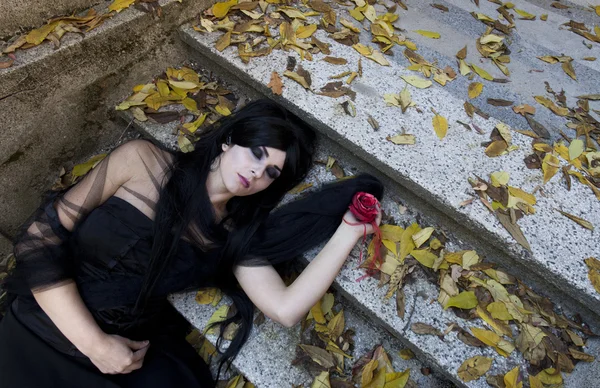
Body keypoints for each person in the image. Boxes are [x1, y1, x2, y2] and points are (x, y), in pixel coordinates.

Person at [0, 98, 383, 387]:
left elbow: (285, 309)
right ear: (228, 141)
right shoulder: (142, 162)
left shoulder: (233, 234)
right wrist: (95, 344)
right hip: (47, 321)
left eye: (271, 172)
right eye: (256, 152)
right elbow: (39, 240)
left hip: (126, 351)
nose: (256, 171)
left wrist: (351, 229)